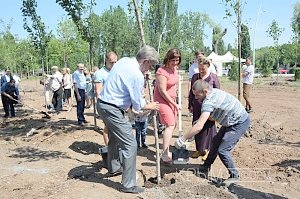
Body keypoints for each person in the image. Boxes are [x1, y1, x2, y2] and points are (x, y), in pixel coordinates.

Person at [96, 45, 160, 194]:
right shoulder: (136, 75)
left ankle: (114, 167)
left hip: (103, 104)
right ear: (144, 61)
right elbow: (138, 106)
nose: (150, 69)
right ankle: (128, 184)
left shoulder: (124, 61)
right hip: (112, 109)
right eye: (150, 65)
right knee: (130, 144)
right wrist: (149, 106)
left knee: (114, 138)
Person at [175, 80, 250, 185]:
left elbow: (199, 126)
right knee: (215, 142)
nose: (196, 98)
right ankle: (205, 167)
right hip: (231, 121)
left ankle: (234, 175)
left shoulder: (208, 102)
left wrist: (183, 138)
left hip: (239, 122)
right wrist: (197, 126)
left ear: (205, 91)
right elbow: (209, 117)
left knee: (223, 150)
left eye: (197, 95)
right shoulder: (213, 91)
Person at [188, 57, 220, 160]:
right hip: (197, 106)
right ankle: (199, 149)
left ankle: (207, 150)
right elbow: (191, 92)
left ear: (208, 67)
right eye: (199, 68)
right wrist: (190, 104)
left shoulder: (213, 77)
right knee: (196, 125)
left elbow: (217, 93)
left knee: (208, 127)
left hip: (209, 107)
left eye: (203, 69)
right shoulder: (194, 77)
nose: (201, 71)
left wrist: (216, 108)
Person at [153, 48, 181, 164]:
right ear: (168, 59)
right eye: (173, 60)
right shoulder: (161, 71)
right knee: (170, 124)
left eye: (177, 60)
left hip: (172, 100)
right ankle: (164, 154)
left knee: (172, 125)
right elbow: (163, 91)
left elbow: (173, 84)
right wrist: (174, 104)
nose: (175, 62)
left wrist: (175, 100)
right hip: (162, 100)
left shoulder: (175, 69)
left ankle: (167, 150)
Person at [94, 51, 118, 146]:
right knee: (108, 127)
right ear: (106, 61)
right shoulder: (100, 73)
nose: (114, 64)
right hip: (106, 105)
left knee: (115, 128)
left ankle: (114, 147)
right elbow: (98, 91)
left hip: (117, 104)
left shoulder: (117, 71)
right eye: (111, 62)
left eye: (115, 62)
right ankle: (108, 148)